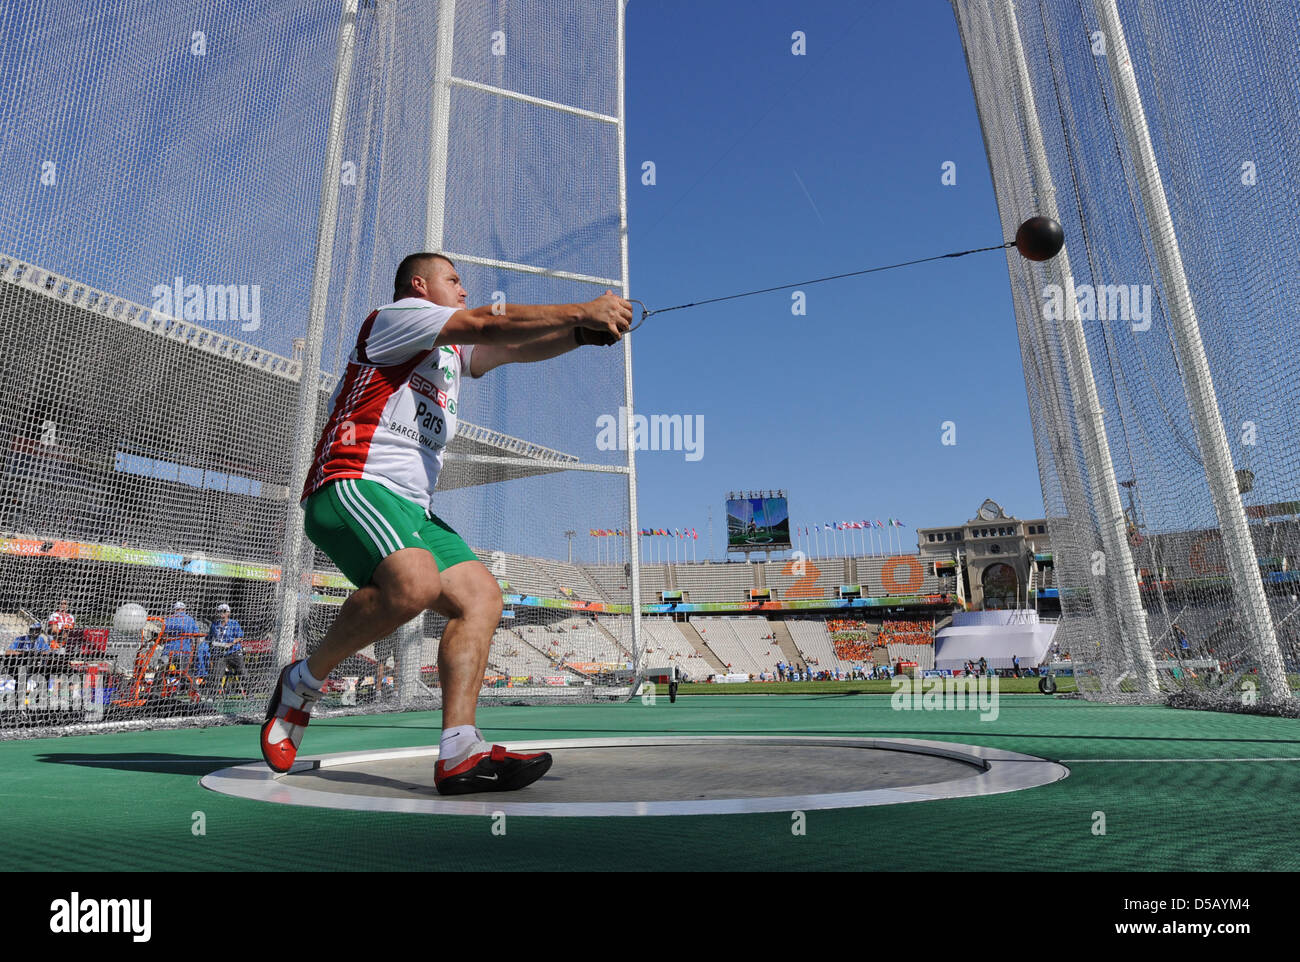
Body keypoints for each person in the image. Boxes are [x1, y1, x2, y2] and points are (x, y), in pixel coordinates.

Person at [261, 252, 632, 795]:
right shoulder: (397, 317)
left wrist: (579, 333)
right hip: (352, 481)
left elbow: (508, 348)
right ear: (419, 285)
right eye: (453, 280)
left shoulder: (452, 351)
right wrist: (585, 307)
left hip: (410, 506)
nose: (463, 289)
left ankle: (460, 751)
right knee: (415, 582)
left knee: (481, 598)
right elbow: (491, 322)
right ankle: (302, 682)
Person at [207, 604, 247, 697]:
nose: (222, 613)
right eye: (220, 611)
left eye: (224, 611)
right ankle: (212, 696)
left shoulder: (233, 623)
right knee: (216, 675)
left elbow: (240, 636)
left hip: (233, 652)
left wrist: (232, 643)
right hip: (220, 653)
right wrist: (214, 644)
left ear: (228, 613)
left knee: (242, 672)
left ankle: (249, 694)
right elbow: (210, 637)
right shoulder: (214, 625)